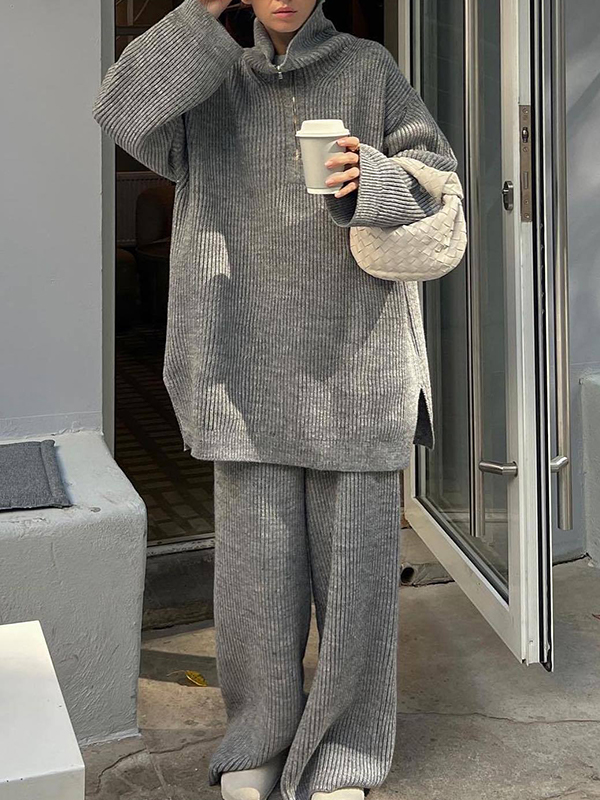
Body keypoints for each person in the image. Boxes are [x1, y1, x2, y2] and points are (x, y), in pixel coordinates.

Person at [92, 1, 457, 799]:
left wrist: (373, 180)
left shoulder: (368, 69)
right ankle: (258, 735)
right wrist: (201, 10)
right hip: (244, 365)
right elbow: (119, 107)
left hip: (355, 364)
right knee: (255, 586)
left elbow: (437, 188)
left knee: (358, 588)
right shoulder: (211, 80)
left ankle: (347, 750)